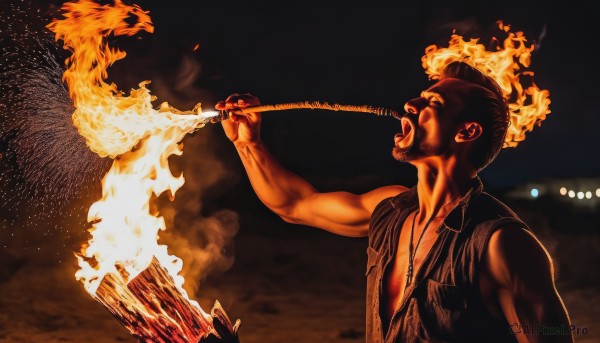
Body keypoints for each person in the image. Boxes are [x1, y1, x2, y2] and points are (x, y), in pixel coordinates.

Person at [216, 61, 572, 343]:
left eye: (433, 103)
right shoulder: (389, 210)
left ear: (467, 132)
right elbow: (294, 204)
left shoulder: (500, 244)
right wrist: (248, 144)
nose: (410, 104)